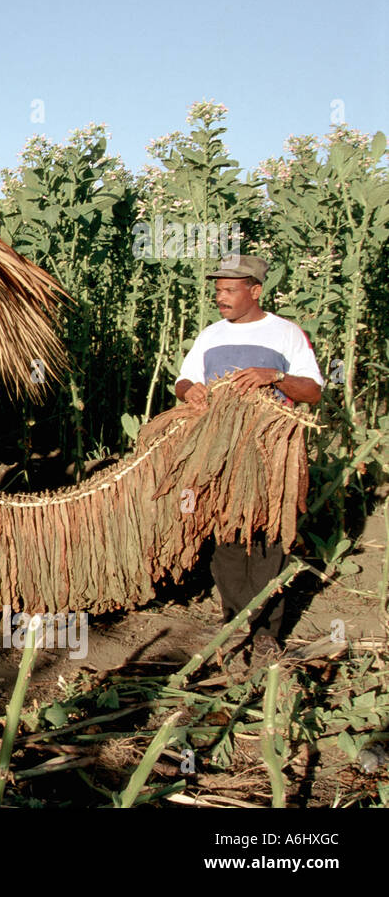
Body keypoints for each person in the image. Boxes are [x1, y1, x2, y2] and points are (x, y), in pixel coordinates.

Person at [174, 255, 323, 665]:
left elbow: (313, 391)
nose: (220, 298)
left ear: (255, 291)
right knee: (225, 535)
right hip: (221, 451)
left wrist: (273, 377)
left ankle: (265, 632)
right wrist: (190, 392)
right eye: (217, 290)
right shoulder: (211, 335)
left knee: (268, 536)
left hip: (269, 451)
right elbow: (183, 379)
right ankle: (234, 619)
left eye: (228, 290)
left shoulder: (286, 334)